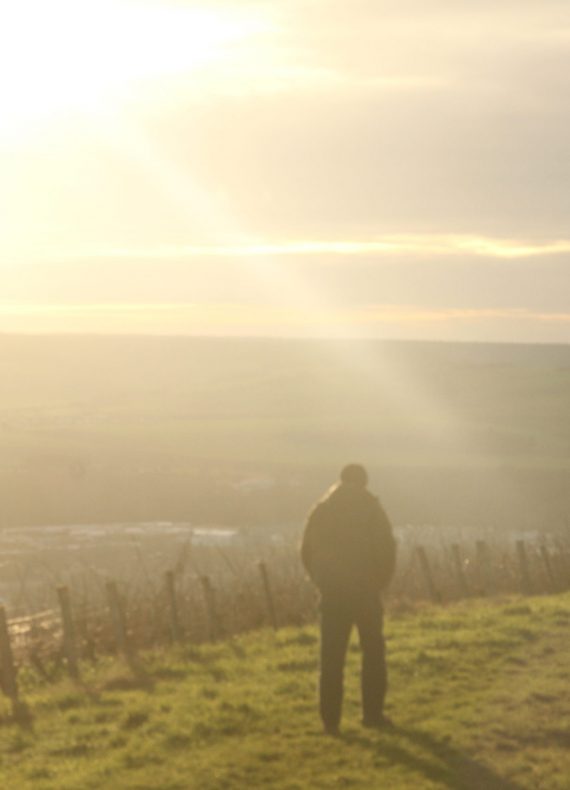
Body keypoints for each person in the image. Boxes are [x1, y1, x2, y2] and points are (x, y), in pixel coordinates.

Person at [301, 464, 396, 735]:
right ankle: (373, 716)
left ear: (341, 481)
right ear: (364, 483)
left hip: (332, 594)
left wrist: (322, 581)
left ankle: (331, 722)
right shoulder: (372, 509)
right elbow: (387, 550)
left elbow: (307, 551)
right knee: (373, 654)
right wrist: (378, 583)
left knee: (331, 658)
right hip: (366, 593)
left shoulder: (322, 510)